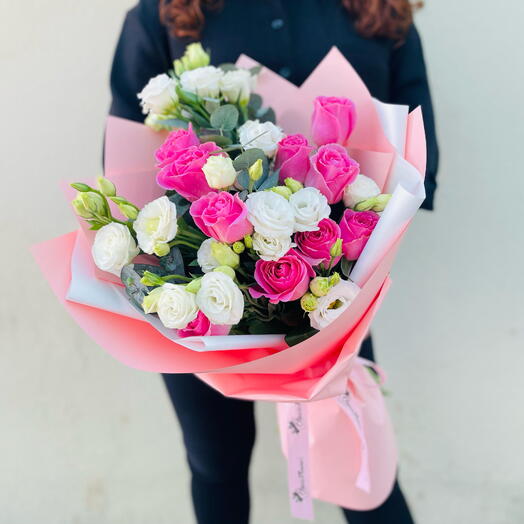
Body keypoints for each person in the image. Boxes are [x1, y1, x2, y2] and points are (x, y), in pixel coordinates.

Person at [109, 1, 439, 522]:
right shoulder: (164, 12)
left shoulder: (381, 8)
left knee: (359, 470)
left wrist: (335, 234)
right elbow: (124, 161)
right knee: (216, 465)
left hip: (333, 297)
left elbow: (422, 158)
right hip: (201, 298)